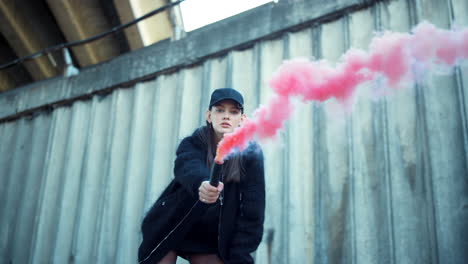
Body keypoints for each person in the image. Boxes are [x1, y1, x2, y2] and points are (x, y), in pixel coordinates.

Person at [138, 88, 265, 264]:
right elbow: (187, 165)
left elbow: (253, 212)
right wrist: (202, 184)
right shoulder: (192, 143)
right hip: (170, 225)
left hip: (209, 238)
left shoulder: (251, 155)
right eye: (219, 110)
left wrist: (240, 256)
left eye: (233, 111)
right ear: (209, 115)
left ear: (242, 119)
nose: (226, 116)